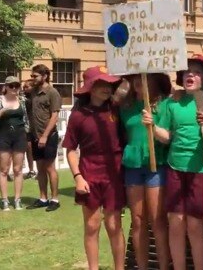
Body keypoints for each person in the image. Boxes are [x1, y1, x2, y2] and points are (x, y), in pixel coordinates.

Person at [150, 55, 203, 270]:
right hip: (175, 168)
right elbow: (166, 136)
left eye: (196, 72)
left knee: (195, 225)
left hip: (200, 170)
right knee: (175, 222)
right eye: (187, 71)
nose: (191, 75)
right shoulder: (172, 102)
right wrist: (152, 127)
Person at [63, 66, 126, 270]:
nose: (106, 88)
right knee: (92, 225)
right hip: (89, 171)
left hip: (114, 172)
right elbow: (70, 149)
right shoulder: (78, 115)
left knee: (114, 225)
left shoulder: (117, 110)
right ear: (90, 88)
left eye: (109, 84)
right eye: (101, 84)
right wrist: (78, 177)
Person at [120, 73, 172, 270]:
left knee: (157, 220)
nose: (138, 81)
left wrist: (154, 126)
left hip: (155, 166)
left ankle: (163, 266)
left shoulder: (165, 105)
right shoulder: (125, 107)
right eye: (135, 78)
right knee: (137, 220)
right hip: (133, 166)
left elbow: (168, 138)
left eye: (145, 78)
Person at [0, 76, 29, 211]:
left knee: (18, 169)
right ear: (6, 87)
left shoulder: (22, 100)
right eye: (11, 86)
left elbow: (27, 119)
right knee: (4, 170)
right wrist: (3, 110)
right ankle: (4, 200)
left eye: (17, 85)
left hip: (19, 136)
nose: (14, 88)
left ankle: (17, 199)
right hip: (2, 136)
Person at [27, 64, 62, 212]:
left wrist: (45, 136)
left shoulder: (52, 92)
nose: (32, 78)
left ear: (45, 76)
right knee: (40, 168)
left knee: (49, 167)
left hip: (49, 136)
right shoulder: (33, 92)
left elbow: (54, 115)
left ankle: (55, 199)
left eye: (35, 76)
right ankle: (43, 198)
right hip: (35, 136)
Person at [22, 79, 37, 179]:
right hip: (27, 127)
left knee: (38, 150)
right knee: (29, 149)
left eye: (27, 87)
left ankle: (40, 171)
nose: (24, 89)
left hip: (36, 126)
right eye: (24, 87)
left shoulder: (36, 98)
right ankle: (31, 170)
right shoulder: (23, 99)